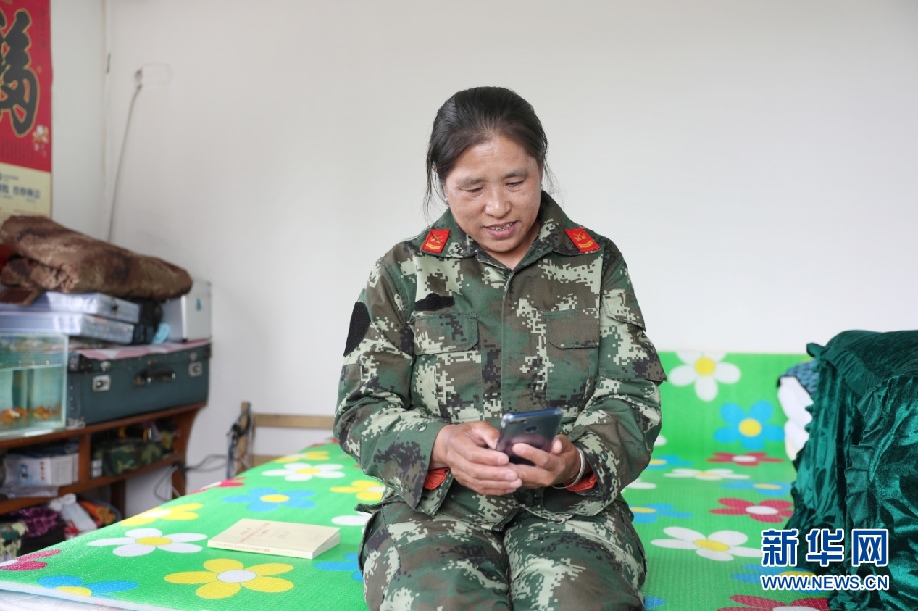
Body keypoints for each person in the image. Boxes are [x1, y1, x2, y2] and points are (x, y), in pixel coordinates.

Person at [334, 85, 665, 610]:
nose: (498, 207)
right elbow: (359, 409)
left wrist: (577, 461)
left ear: (541, 168)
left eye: (516, 181)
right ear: (442, 182)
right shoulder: (404, 271)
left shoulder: (596, 262)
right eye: (472, 188)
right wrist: (442, 444)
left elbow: (632, 396)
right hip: (435, 512)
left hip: (572, 511)